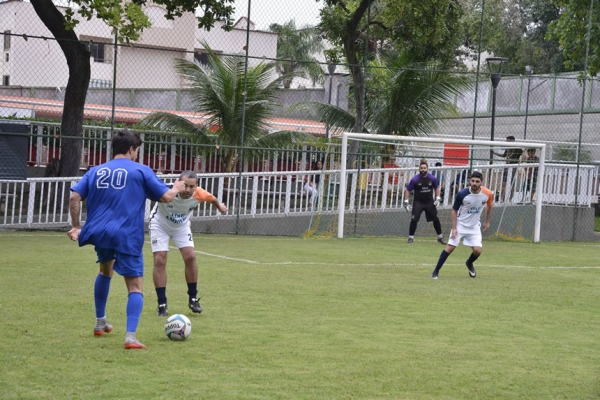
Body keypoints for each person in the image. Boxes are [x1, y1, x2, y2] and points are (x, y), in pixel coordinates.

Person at [67, 130, 186, 349]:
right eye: (137, 150)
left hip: (100, 232)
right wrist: (177, 187)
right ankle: (131, 337)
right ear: (131, 149)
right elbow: (166, 197)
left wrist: (76, 226)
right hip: (126, 234)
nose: (137, 155)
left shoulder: (96, 171)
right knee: (135, 286)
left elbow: (75, 197)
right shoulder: (141, 171)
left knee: (105, 270)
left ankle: (100, 321)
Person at [149, 170, 228, 317]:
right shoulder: (166, 190)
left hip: (181, 227)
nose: (187, 190)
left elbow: (211, 198)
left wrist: (220, 207)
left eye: (192, 186)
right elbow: (147, 192)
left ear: (196, 186)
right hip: (159, 226)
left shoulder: (199, 193)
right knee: (160, 259)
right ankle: (162, 304)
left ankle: (193, 298)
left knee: (190, 257)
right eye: (184, 185)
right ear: (177, 183)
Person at [431, 171, 493, 279]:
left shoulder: (487, 194)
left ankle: (469, 263)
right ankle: (435, 272)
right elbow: (454, 211)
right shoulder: (462, 194)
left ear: (481, 182)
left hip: (474, 226)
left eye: (477, 181)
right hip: (460, 225)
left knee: (478, 251)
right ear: (469, 181)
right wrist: (454, 228)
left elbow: (490, 205)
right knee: (450, 248)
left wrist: (487, 221)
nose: (474, 183)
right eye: (472, 181)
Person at [403, 161, 446, 244]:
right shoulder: (415, 179)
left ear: (427, 169)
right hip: (418, 202)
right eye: (421, 168)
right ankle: (410, 238)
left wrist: (437, 199)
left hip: (429, 202)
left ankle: (440, 238)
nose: (423, 170)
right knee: (414, 220)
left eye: (424, 168)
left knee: (436, 219)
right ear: (419, 169)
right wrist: (406, 203)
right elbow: (408, 190)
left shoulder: (432, 178)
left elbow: (436, 188)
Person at [492, 136, 523, 201]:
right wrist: (495, 153)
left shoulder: (517, 148)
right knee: (504, 182)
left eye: (508, 141)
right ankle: (501, 198)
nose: (507, 142)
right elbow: (504, 155)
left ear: (513, 141)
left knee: (512, 183)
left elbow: (524, 156)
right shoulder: (508, 148)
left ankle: (510, 199)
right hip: (507, 166)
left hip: (513, 167)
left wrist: (520, 162)